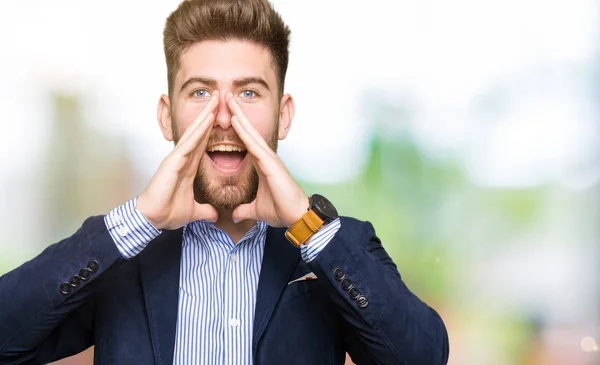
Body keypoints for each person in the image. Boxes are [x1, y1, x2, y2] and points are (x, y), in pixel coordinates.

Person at [0, 0, 449, 364]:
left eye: (249, 92)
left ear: (284, 114)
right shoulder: (122, 257)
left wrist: (307, 227)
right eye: (200, 92)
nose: (223, 117)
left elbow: (422, 357)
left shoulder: (340, 245)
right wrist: (139, 220)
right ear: (166, 115)